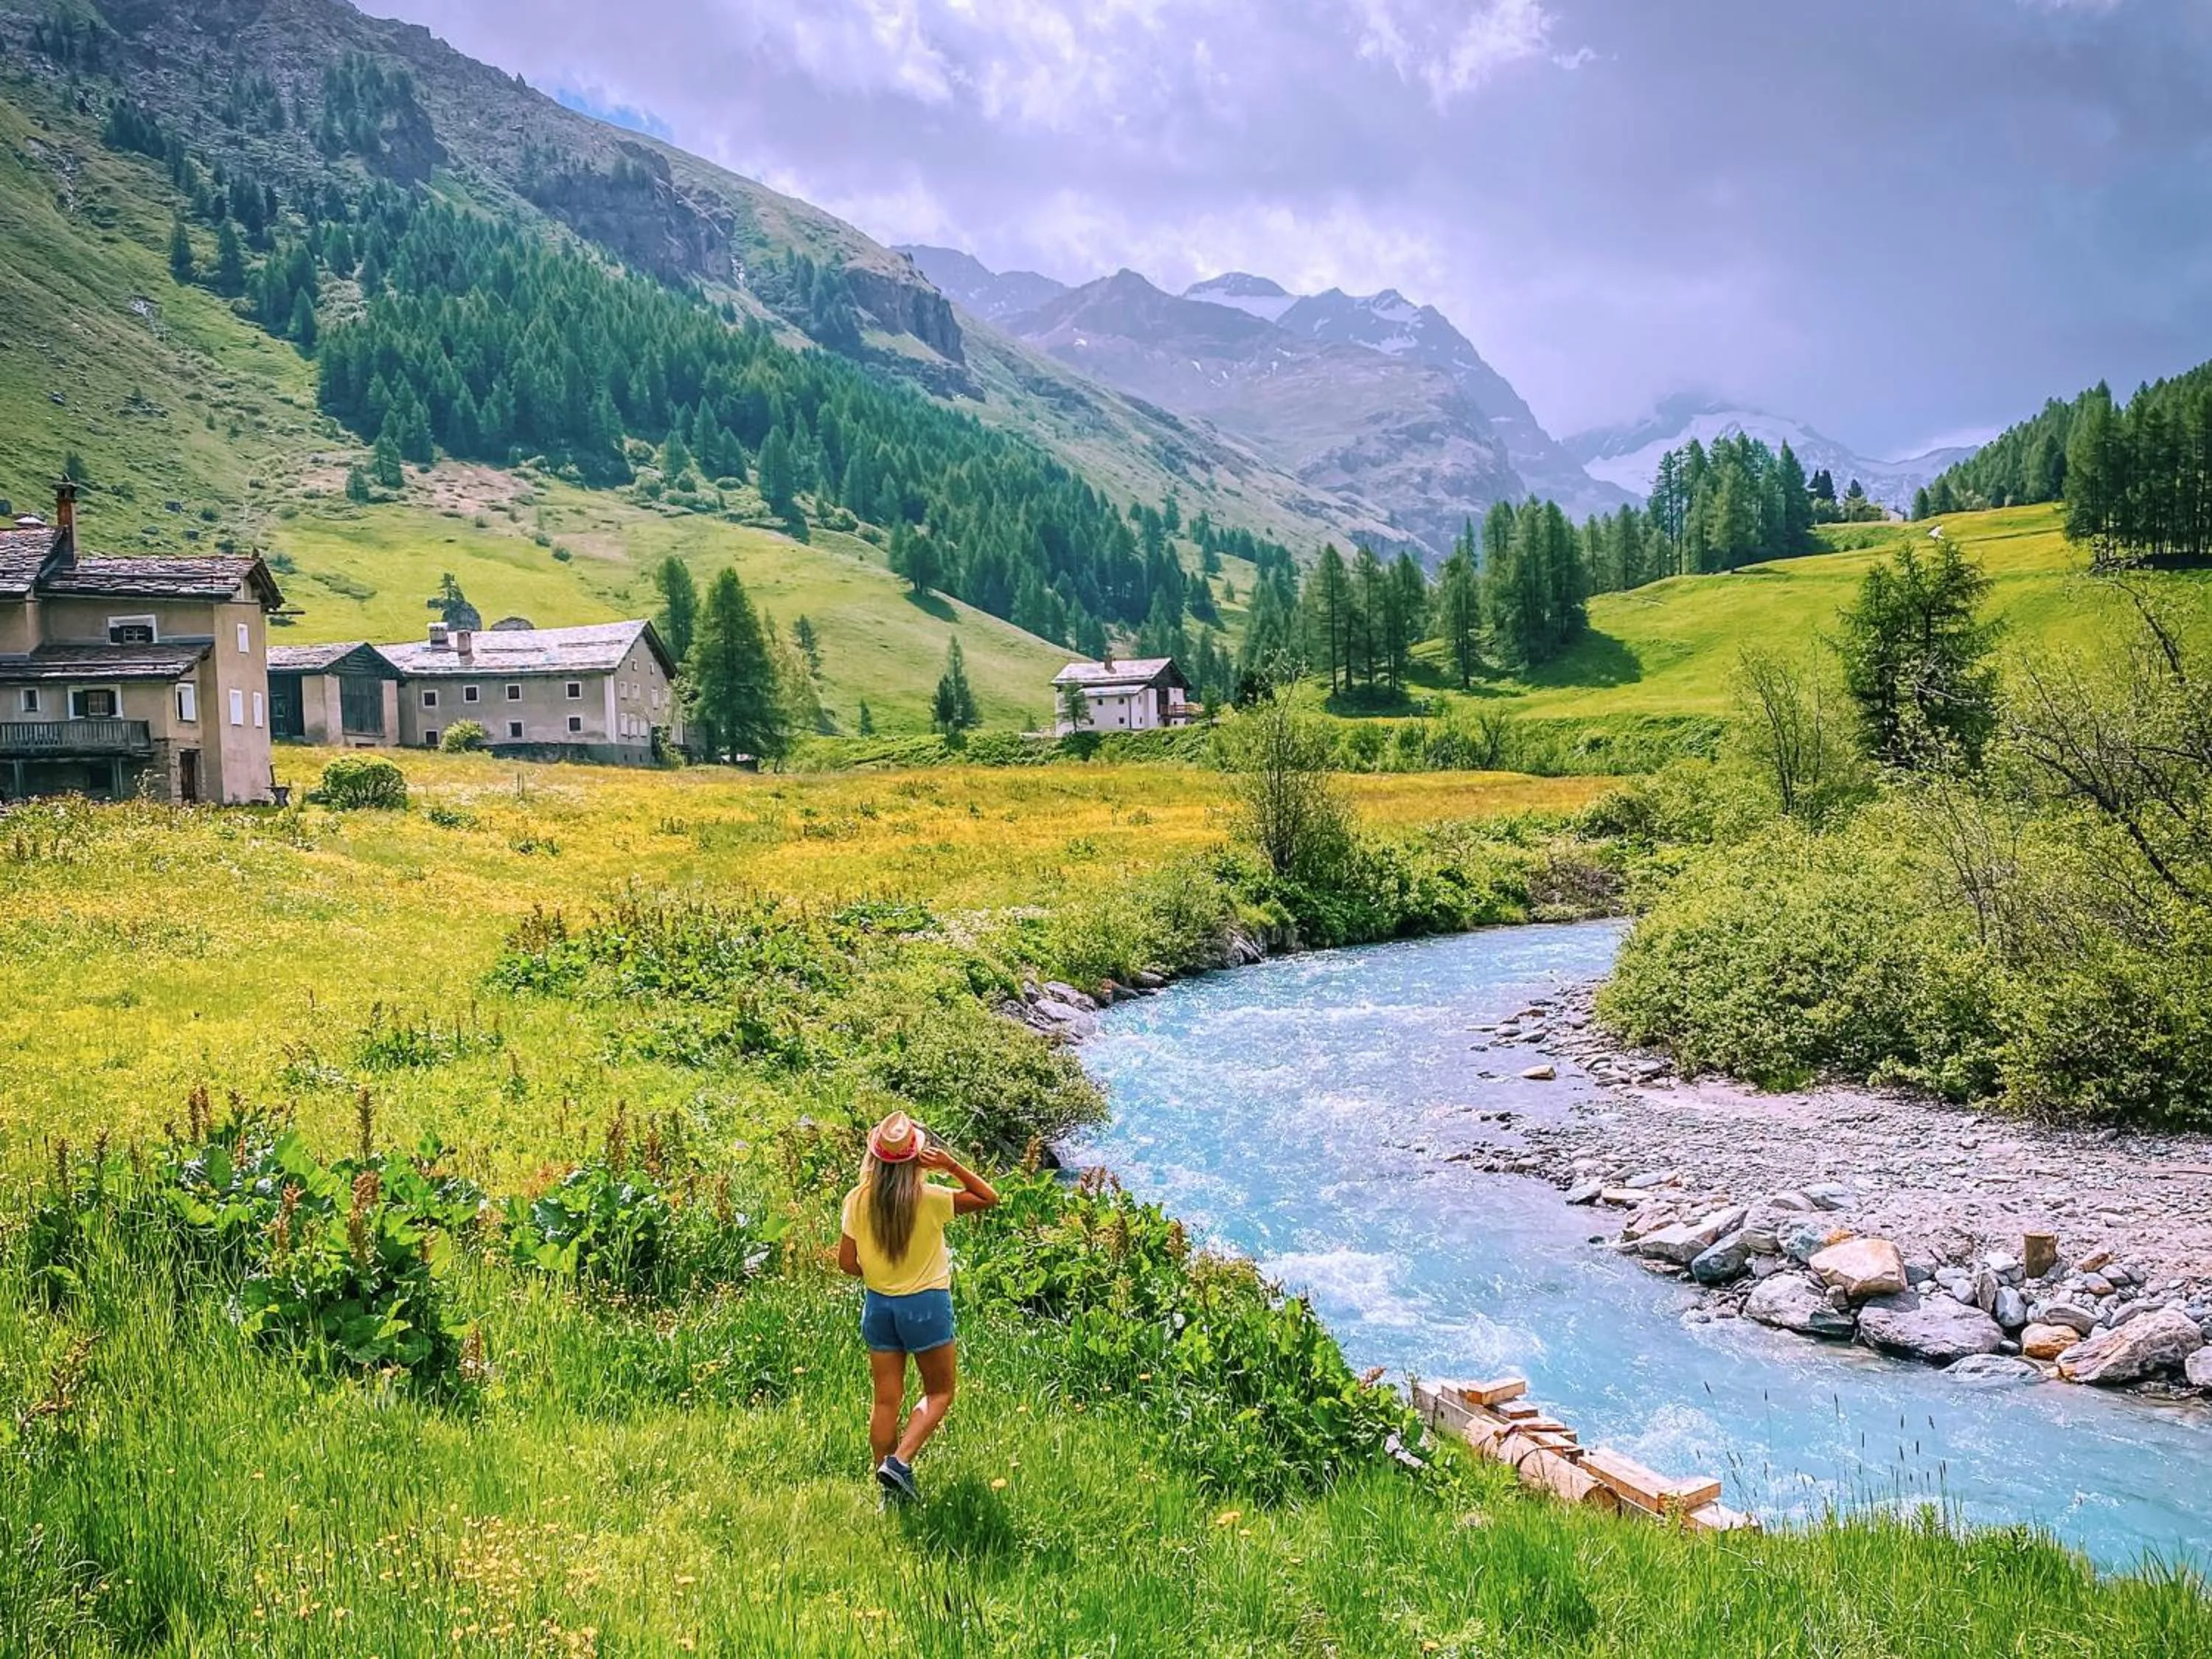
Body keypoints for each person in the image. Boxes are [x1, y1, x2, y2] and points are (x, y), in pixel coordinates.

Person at [838, 1110, 998, 1504]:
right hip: (926, 1304)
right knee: (940, 1392)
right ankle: (900, 1462)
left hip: (879, 1306)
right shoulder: (931, 1199)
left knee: (885, 1400)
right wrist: (951, 1165)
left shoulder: (857, 1200)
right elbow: (989, 1198)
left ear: (874, 1157)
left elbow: (845, 1263)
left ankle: (887, 1490)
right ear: (917, 1158)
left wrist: (878, 1276)